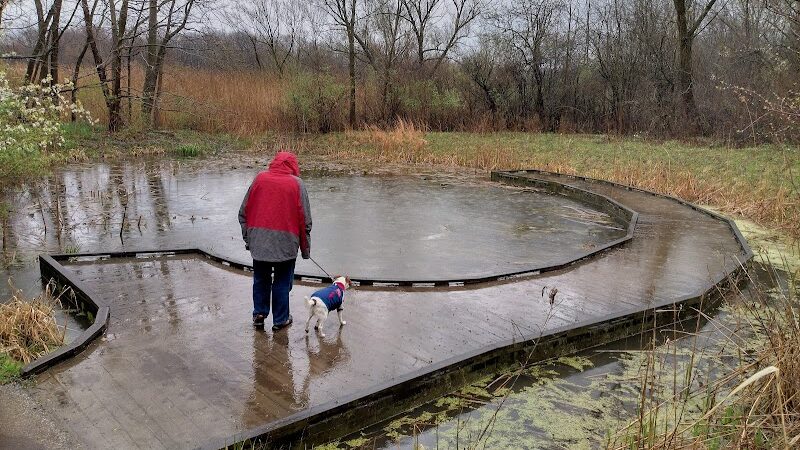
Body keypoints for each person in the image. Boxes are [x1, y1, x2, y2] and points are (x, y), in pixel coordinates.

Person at [239, 151, 311, 330]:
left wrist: (249, 239)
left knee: (260, 279)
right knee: (282, 282)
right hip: (286, 244)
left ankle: (259, 314)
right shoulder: (297, 184)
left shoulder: (259, 178)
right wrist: (305, 249)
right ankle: (280, 320)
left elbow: (243, 212)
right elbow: (305, 220)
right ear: (293, 166)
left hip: (259, 242)